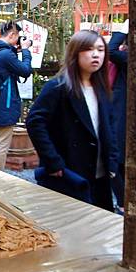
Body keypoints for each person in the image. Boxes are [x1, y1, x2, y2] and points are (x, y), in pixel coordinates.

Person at [26, 30, 118, 211]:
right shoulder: (58, 87)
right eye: (89, 49)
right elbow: (35, 122)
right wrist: (53, 161)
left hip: (100, 174)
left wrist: (113, 161)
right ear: (75, 53)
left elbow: (109, 127)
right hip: (70, 172)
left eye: (100, 50)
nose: (96, 55)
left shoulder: (102, 89)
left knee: (100, 225)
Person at [0, 20, 33, 170]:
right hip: (4, 104)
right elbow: (25, 70)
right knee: (2, 142)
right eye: (18, 36)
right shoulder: (5, 54)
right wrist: (26, 51)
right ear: (12, 34)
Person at [108, 29, 128, 213]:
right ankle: (123, 200)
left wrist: (120, 31)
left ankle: (122, 201)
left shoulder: (130, 57)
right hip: (123, 112)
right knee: (118, 158)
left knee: (115, 157)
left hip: (121, 111)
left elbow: (111, 50)